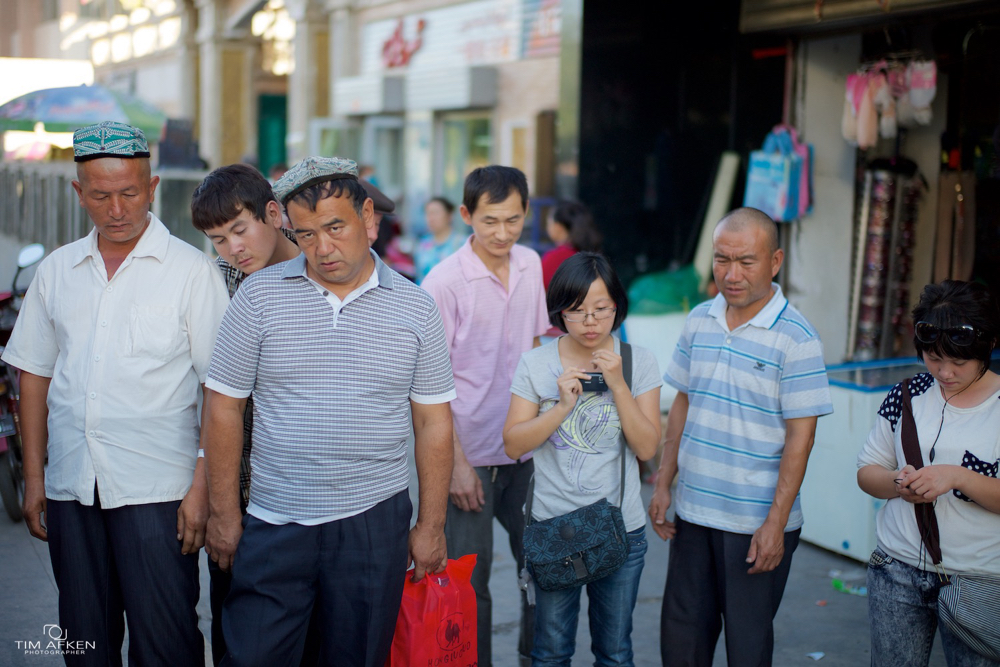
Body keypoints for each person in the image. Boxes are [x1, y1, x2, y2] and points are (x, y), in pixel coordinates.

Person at [202, 156, 455, 666]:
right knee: (251, 656)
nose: (322, 248)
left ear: (368, 216)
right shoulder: (258, 296)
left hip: (372, 523)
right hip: (274, 519)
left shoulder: (416, 307)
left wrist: (431, 525)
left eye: (335, 227)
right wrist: (225, 512)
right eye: (306, 234)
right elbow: (223, 407)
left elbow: (432, 422)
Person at [0, 121, 229, 665]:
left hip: (159, 493)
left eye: (129, 193)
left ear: (151, 188)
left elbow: (219, 391)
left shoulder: (191, 273)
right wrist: (35, 480)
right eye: (101, 196)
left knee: (166, 641)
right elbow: (33, 376)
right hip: (72, 488)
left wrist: (203, 490)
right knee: (83, 641)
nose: (117, 209)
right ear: (79, 193)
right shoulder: (57, 272)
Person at [648, 207, 833, 667]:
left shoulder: (797, 338)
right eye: (721, 260)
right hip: (694, 514)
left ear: (775, 262)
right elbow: (682, 405)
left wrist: (775, 523)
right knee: (681, 643)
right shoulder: (699, 320)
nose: (731, 274)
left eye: (746, 262)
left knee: (747, 650)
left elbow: (800, 439)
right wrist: (664, 481)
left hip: (755, 525)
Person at [503, 252, 661, 666]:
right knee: (551, 651)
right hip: (554, 529)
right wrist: (559, 408)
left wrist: (619, 386)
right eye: (577, 311)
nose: (590, 322)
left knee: (615, 651)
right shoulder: (536, 363)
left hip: (620, 530)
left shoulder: (638, 361)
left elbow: (647, 449)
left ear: (617, 307)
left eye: (601, 310)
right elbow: (513, 445)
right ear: (559, 311)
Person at [421, 165, 549, 667]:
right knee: (468, 588)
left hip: (527, 451)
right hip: (466, 458)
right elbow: (429, 386)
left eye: (513, 221)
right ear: (466, 215)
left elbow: (537, 350)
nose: (502, 233)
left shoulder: (532, 264)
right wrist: (454, 464)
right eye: (490, 221)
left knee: (542, 572)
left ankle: (536, 659)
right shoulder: (443, 283)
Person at [190, 162, 307, 666]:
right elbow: (210, 401)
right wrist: (221, 508)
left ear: (274, 214)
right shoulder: (218, 286)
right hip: (241, 496)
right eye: (219, 239)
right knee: (241, 637)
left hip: (318, 496)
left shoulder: (321, 269)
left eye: (240, 229)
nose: (233, 248)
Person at [857, 280, 1000, 667]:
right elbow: (867, 471)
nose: (945, 372)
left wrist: (957, 477)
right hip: (896, 572)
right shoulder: (906, 395)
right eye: (934, 359)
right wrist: (898, 483)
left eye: (958, 362)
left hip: (981, 581)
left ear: (988, 346)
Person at [541, 200, 602, 290]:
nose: (547, 227)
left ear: (558, 227)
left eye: (548, 223)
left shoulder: (554, 258)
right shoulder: (594, 256)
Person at [414, 197, 465, 283]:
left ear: (449, 216)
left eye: (436, 213)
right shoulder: (422, 245)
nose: (431, 218)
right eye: (428, 213)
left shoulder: (462, 243)